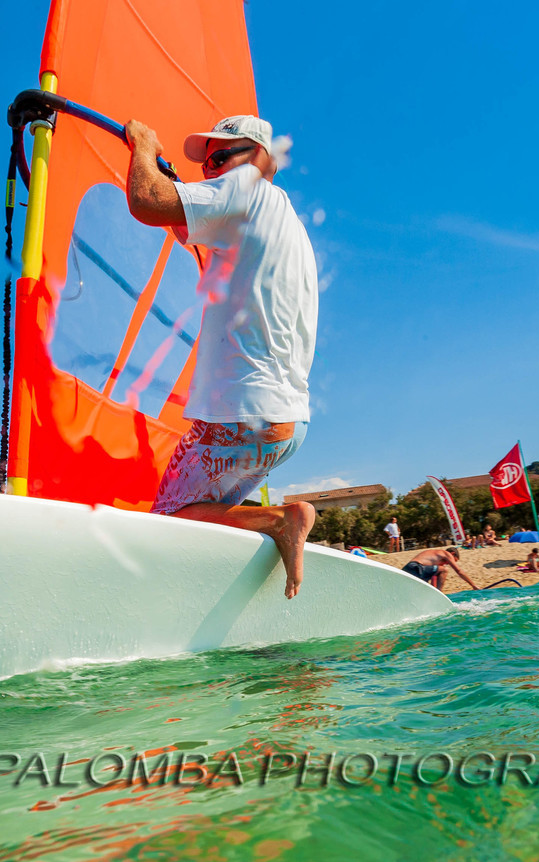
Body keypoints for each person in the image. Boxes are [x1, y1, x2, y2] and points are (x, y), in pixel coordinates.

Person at [123, 114, 318, 598]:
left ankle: (281, 519)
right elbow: (180, 221)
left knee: (167, 519)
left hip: (241, 418)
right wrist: (179, 191)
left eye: (217, 159)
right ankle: (265, 532)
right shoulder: (280, 220)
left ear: (257, 159)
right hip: (285, 422)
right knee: (202, 521)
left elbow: (146, 202)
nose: (210, 172)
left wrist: (143, 147)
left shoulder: (246, 191)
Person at [402, 547, 480, 591]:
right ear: (452, 554)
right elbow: (459, 571)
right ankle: (440, 594)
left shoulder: (434, 556)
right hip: (416, 567)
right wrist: (473, 585)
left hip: (408, 569)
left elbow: (434, 577)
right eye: (453, 560)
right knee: (444, 570)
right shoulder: (446, 553)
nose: (447, 564)